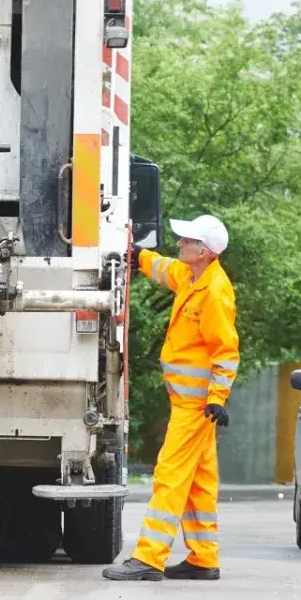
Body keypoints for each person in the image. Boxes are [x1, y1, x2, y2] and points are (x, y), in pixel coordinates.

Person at [103, 214, 239, 581]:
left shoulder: (214, 292)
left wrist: (217, 398)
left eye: (187, 241)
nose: (179, 244)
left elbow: (226, 351)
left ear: (205, 251)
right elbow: (164, 269)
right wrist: (138, 257)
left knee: (170, 475)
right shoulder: (193, 277)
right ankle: (203, 558)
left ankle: (149, 558)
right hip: (190, 403)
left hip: (197, 407)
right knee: (198, 481)